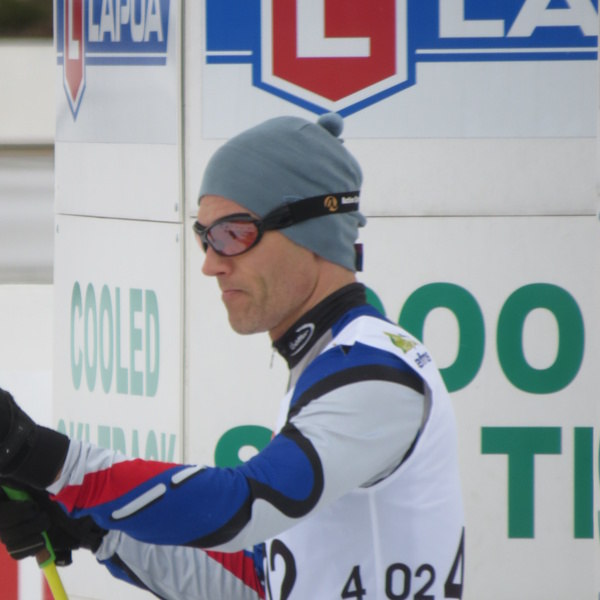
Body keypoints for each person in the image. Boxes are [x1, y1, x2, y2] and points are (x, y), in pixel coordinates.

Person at [0, 113, 465, 599]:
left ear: (314, 233)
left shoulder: (372, 374)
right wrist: (94, 529)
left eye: (233, 234)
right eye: (205, 237)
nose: (210, 263)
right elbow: (261, 585)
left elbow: (241, 505)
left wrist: (44, 458)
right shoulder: (327, 364)